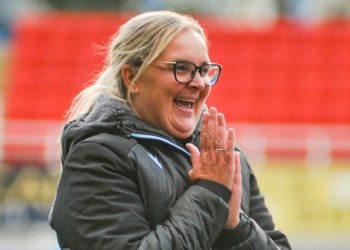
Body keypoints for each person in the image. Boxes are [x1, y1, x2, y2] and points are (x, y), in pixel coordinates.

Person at [49, 10, 292, 250]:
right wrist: (211, 193)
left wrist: (236, 228)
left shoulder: (223, 158)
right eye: (182, 68)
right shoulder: (97, 157)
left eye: (204, 70)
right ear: (132, 77)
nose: (199, 83)